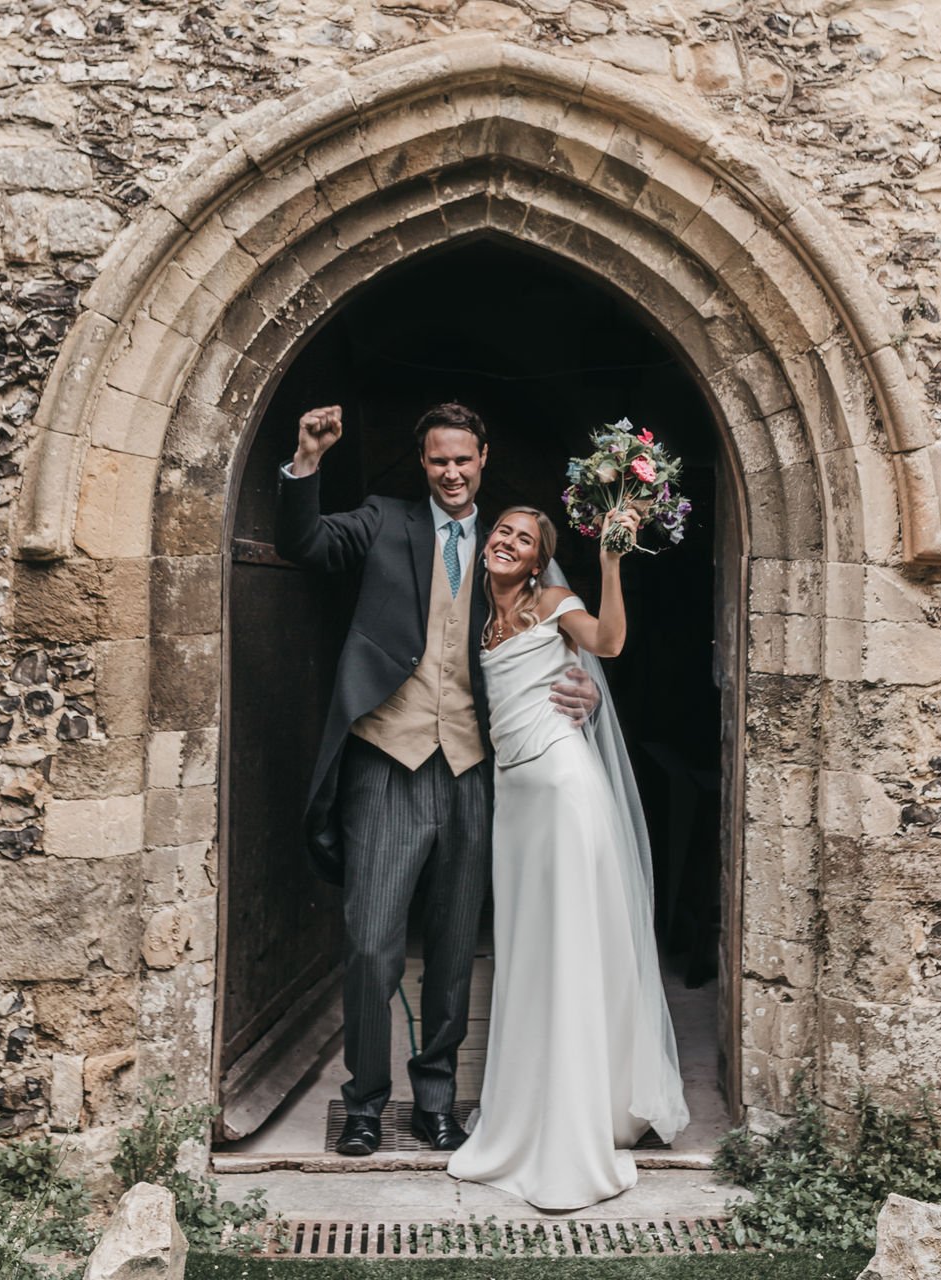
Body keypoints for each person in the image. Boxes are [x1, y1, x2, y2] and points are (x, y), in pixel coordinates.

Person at [274, 403, 599, 1157]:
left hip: (476, 771)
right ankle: (363, 1102)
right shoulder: (385, 521)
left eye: (463, 459)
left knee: (454, 947)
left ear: (484, 457)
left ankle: (436, 1099)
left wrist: (576, 684)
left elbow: (557, 635)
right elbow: (303, 542)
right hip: (387, 759)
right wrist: (306, 463)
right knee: (369, 945)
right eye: (436, 461)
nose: (450, 473)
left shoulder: (508, 545)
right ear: (420, 463)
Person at [447, 505, 689, 1210]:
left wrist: (610, 559)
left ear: (537, 561)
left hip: (561, 787)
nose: (506, 542)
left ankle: (573, 1132)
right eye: (501, 531)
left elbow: (607, 643)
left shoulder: (553, 602)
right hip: (515, 802)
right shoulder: (475, 618)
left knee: (570, 950)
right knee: (528, 956)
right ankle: (525, 1113)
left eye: (523, 539)